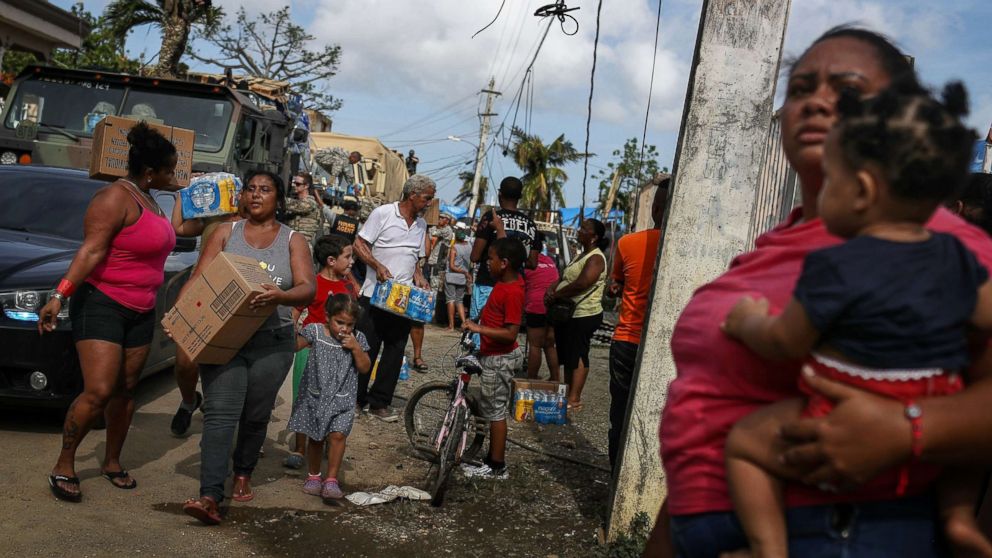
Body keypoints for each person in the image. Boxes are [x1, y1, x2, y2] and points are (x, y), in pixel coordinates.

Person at [651, 26, 992, 557]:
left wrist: (908, 430)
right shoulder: (764, 250)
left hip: (841, 532)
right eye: (801, 88)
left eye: (846, 88)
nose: (816, 102)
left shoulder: (942, 245)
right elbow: (711, 410)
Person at [38, 123, 178, 502]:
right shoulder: (114, 198)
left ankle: (112, 461)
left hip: (142, 309)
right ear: (151, 171)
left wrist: (190, 193)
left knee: (126, 390)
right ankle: (64, 463)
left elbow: (183, 230)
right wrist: (59, 296)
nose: (174, 175)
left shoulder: (152, 200)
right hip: (102, 304)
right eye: (171, 169)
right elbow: (91, 251)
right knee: (98, 391)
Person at [180, 170, 315, 526]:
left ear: (279, 199)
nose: (256, 195)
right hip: (226, 338)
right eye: (251, 189)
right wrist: (178, 317)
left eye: (265, 190)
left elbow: (307, 288)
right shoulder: (226, 233)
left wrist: (280, 296)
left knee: (255, 412)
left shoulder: (293, 240)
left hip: (273, 341)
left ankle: (243, 469)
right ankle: (210, 494)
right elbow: (200, 277)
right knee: (221, 412)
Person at [168, 183, 248, 437]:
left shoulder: (258, 224)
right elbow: (179, 228)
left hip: (236, 295)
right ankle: (189, 401)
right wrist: (183, 196)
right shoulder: (215, 214)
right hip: (200, 288)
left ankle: (227, 422)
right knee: (184, 362)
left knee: (226, 363)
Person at [353, 174, 433, 422]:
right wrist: (376, 265)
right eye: (427, 197)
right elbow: (359, 244)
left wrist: (419, 276)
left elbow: (414, 258)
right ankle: (356, 399)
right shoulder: (383, 213)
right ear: (413, 195)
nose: (430, 203)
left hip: (401, 299)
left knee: (395, 351)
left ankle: (380, 402)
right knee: (367, 346)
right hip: (374, 295)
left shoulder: (420, 225)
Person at [605, 178, 668, 470]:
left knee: (620, 414)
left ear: (655, 208)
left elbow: (615, 283)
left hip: (627, 341)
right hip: (665, 345)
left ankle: (616, 478)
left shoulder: (627, 243)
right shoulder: (680, 250)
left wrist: (617, 287)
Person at [284, 235, 359, 470]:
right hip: (310, 350)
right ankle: (299, 448)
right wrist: (290, 342)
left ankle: (328, 439)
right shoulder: (312, 284)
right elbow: (295, 314)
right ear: (330, 260)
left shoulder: (348, 288)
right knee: (304, 397)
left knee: (333, 398)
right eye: (347, 257)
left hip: (338, 354)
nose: (351, 262)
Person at [289, 294, 371, 501]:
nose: (344, 329)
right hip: (316, 398)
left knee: (337, 436)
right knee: (316, 438)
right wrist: (289, 327)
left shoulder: (358, 339)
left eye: (349, 324)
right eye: (339, 322)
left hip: (343, 399)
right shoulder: (316, 332)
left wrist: (355, 348)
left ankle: (332, 479)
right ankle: (314, 476)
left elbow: (364, 367)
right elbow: (295, 346)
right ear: (328, 317)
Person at [461, 237, 527, 480]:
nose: (487, 263)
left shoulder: (512, 291)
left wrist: (479, 330)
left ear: (505, 263)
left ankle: (496, 465)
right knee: (490, 406)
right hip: (492, 354)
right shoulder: (503, 282)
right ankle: (490, 460)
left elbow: (510, 333)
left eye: (491, 259)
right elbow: (492, 312)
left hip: (501, 358)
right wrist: (476, 321)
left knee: (495, 412)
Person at [470, 177, 542, 347]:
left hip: (487, 284)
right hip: (515, 286)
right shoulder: (530, 225)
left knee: (479, 335)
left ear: (500, 194)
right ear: (520, 197)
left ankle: (474, 369)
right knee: (504, 333)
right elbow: (532, 262)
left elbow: (474, 256)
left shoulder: (491, 218)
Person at [545, 219, 608, 412]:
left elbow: (582, 283)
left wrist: (557, 294)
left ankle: (575, 397)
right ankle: (567, 392)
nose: (580, 231)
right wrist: (552, 289)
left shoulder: (596, 258)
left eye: (584, 229)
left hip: (584, 313)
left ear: (594, 237)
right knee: (568, 354)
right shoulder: (581, 255)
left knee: (579, 353)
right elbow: (566, 277)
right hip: (570, 314)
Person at [408, 212, 455, 371]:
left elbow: (432, 238)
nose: (440, 220)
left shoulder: (446, 230)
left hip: (436, 266)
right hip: (425, 265)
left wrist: (427, 225)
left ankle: (430, 316)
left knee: (431, 294)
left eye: (443, 218)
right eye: (439, 217)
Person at [524, 238, 560, 381]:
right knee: (550, 345)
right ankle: (555, 379)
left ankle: (531, 380)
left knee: (535, 345)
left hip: (536, 305)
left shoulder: (527, 263)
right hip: (552, 306)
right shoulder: (550, 261)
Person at [444, 222, 473, 331]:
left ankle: (451, 326)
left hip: (452, 276)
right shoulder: (470, 247)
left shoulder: (454, 247)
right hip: (462, 279)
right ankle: (464, 323)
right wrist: (465, 273)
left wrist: (463, 272)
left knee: (450, 300)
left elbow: (452, 266)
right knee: (459, 301)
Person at [284, 172, 323, 243]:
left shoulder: (310, 202)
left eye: (298, 184)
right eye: (294, 183)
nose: (294, 186)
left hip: (303, 244)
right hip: (290, 241)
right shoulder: (295, 202)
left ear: (306, 186)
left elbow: (295, 205)